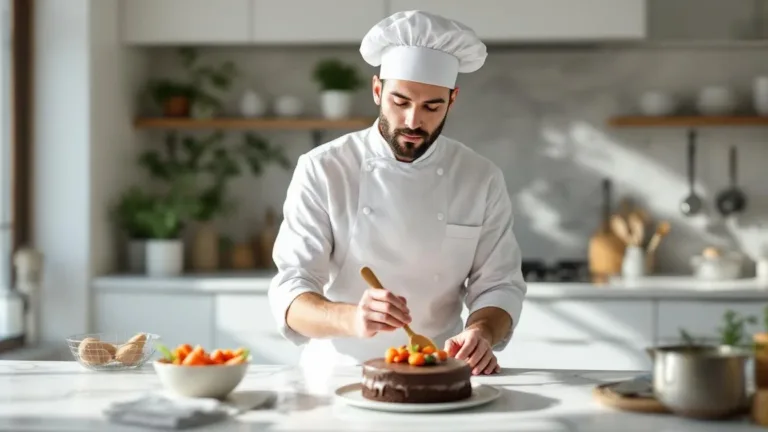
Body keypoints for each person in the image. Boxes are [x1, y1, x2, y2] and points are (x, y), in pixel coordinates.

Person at [268, 10, 527, 376]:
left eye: (431, 106)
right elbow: (291, 291)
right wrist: (352, 318)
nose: (412, 121)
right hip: (340, 374)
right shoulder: (324, 168)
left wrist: (481, 332)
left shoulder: (480, 177)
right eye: (400, 102)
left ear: (452, 99)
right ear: (377, 91)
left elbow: (499, 284)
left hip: (438, 370)